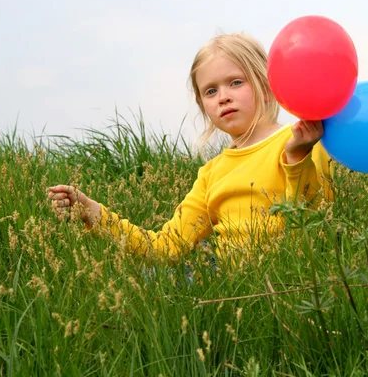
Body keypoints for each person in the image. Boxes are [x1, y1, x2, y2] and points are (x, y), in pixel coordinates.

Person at [48, 33, 334, 263]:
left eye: (236, 82)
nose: (223, 97)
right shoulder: (212, 173)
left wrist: (297, 157)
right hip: (225, 289)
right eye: (210, 91)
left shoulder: (302, 141)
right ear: (202, 105)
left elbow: (312, 224)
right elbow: (166, 247)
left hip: (285, 283)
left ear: (266, 84)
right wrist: (93, 212)